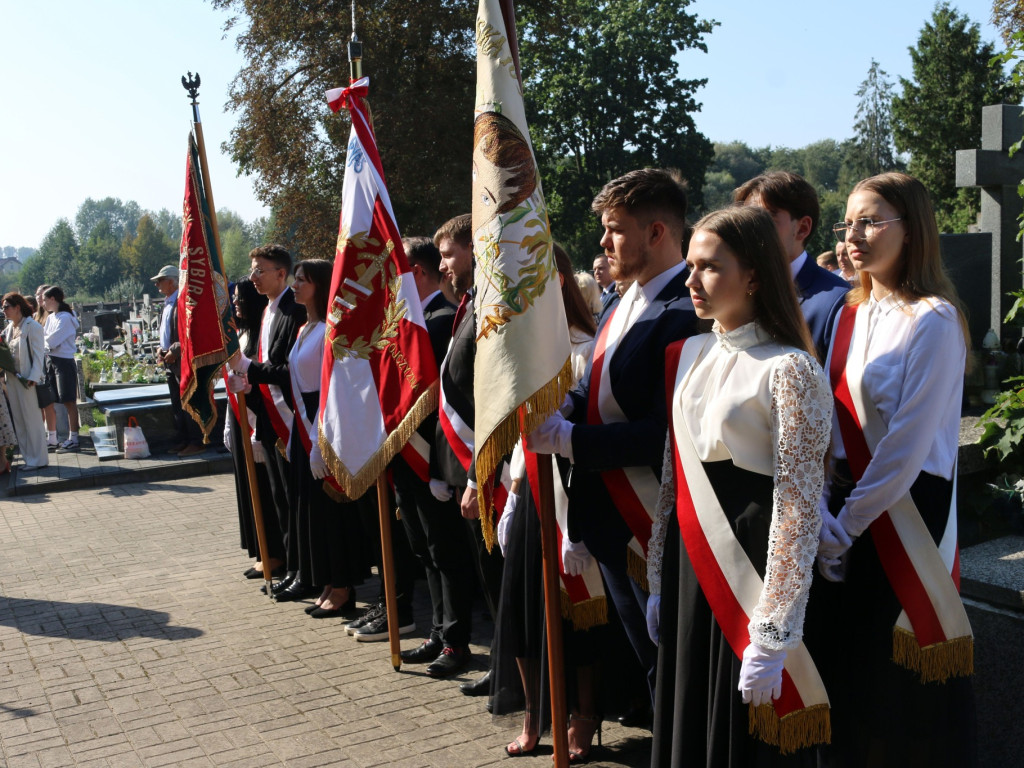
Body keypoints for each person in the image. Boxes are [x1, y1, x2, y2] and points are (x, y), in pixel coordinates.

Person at [647, 205, 832, 766]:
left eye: (709, 267)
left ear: (753, 274)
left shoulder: (790, 368)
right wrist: (658, 572)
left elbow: (799, 505)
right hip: (691, 559)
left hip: (751, 563)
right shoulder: (692, 354)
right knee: (689, 713)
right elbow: (672, 474)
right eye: (690, 267)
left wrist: (773, 631)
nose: (691, 281)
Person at [814, 172, 976, 766]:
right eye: (849, 222)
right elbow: (831, 422)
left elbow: (907, 445)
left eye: (872, 220)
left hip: (902, 512)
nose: (855, 234)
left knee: (897, 685)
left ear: (912, 230)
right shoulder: (848, 312)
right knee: (850, 675)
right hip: (842, 511)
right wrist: (825, 512)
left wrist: (846, 525)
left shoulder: (933, 320)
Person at [527, 168, 700, 716]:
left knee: (673, 671)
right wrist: (566, 407)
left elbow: (664, 433)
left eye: (614, 229)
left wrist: (572, 440)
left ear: (656, 233)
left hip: (653, 517)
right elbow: (591, 382)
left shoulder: (688, 313)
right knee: (650, 665)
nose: (603, 243)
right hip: (609, 520)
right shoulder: (617, 300)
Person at [492, 243, 614, 761]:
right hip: (529, 488)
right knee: (520, 609)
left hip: (571, 494)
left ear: (557, 281)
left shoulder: (585, 346)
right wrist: (512, 492)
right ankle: (534, 714)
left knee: (577, 616)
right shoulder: (519, 348)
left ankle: (583, 715)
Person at [394, 237, 479, 663]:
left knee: (446, 553)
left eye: (399, 272)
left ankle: (456, 639)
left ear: (418, 273)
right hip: (410, 457)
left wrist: (435, 465)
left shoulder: (442, 319)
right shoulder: (412, 322)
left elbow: (445, 399)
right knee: (424, 550)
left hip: (434, 456)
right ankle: (437, 630)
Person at [429, 212, 504, 679]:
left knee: (495, 575)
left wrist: (477, 473)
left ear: (474, 250)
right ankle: (505, 666)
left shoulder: (492, 310)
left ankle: (509, 669)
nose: (443, 266)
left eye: (449, 254)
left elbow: (491, 396)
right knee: (484, 573)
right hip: (465, 464)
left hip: (489, 465)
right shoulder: (470, 305)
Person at [279, 259, 362, 618]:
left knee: (333, 512)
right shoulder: (303, 329)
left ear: (320, 284)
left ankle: (344, 586)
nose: (295, 285)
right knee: (313, 510)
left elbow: (332, 386)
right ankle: (328, 580)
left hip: (325, 424)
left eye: (302, 280)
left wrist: (318, 437)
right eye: (295, 279)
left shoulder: (331, 328)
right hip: (305, 424)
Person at [229, 244, 305, 599]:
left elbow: (291, 370)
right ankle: (293, 567)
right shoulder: (267, 312)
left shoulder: (294, 311)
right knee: (280, 499)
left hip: (293, 417)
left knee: (296, 498)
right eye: (252, 271)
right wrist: (248, 380)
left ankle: (306, 570)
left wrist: (250, 370)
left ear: (281, 273)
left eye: (261, 270)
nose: (253, 278)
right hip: (271, 420)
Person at [734, 171, 849, 359]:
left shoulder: (836, 303)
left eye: (764, 220)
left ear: (802, 228)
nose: (751, 232)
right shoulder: (734, 293)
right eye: (745, 222)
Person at [223, 279, 274, 577]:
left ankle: (275, 554)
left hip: (260, 420)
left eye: (242, 299)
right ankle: (261, 550)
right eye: (235, 299)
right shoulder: (240, 333)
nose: (236, 303)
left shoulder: (261, 335)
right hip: (239, 417)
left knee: (265, 490)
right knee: (248, 487)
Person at [151, 265, 205, 457]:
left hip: (182, 360)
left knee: (188, 401)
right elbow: (166, 331)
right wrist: (161, 348)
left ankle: (196, 441)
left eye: (161, 280)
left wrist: (175, 349)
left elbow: (191, 331)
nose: (157, 284)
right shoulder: (168, 303)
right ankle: (184, 439)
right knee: (177, 404)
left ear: (172, 281)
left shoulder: (183, 302)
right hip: (170, 361)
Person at [2, 293, 48, 470]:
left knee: (32, 419)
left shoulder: (32, 326)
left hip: (27, 380)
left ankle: (39, 459)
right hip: (12, 379)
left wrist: (34, 377)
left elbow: (38, 355)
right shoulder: (8, 329)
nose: (4, 311)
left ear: (17, 307)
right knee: (20, 420)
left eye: (6, 307)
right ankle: (29, 458)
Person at [41, 286, 80, 453]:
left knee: (68, 400)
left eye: (44, 299)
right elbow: (43, 338)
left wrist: (46, 343)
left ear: (52, 299)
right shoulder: (51, 318)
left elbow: (51, 341)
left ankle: (74, 437)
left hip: (64, 361)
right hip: (52, 360)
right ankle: (58, 437)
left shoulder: (65, 318)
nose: (42, 303)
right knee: (57, 399)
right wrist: (46, 343)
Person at [592, 253, 619, 318]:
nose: (596, 272)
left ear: (612, 268)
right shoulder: (600, 296)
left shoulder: (618, 294)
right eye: (594, 269)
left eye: (600, 268)